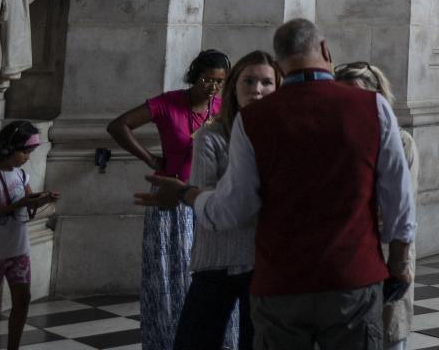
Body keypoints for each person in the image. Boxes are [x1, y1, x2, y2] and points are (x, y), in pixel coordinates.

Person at [138, 19, 415, 350]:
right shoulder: (372, 107)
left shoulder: (253, 119)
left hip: (281, 282)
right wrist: (398, 263)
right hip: (351, 277)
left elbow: (232, 210)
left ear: (280, 63)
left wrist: (185, 192)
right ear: (325, 50)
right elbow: (399, 199)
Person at [111, 49, 229, 350]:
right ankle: (167, 339)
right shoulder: (168, 103)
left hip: (208, 197)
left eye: (219, 82)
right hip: (170, 197)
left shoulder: (222, 109)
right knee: (170, 271)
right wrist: (150, 159)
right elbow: (119, 125)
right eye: (207, 80)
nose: (213, 87)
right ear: (194, 76)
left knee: (207, 272)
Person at [174, 51, 277, 350]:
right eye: (249, 81)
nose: (257, 90)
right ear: (234, 86)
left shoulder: (283, 136)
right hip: (216, 258)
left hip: (262, 262)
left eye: (266, 82)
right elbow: (207, 201)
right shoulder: (212, 135)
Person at [335, 62, 416, 350]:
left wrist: (399, 263)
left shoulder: (400, 140)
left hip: (386, 248)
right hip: (346, 255)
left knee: (388, 329)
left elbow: (401, 205)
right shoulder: (334, 139)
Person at [0, 121, 56, 350]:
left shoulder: (22, 175)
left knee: (22, 301)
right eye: (25, 152)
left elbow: (28, 203)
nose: (27, 157)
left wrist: (43, 199)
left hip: (18, 251)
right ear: (8, 149)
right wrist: (17, 205)